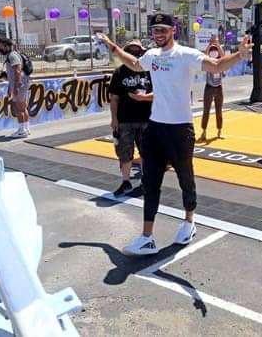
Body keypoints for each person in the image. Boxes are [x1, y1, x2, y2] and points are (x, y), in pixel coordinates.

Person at [97, 13, 252, 256]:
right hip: (155, 128)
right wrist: (113, 46)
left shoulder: (186, 55)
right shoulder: (151, 55)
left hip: (180, 129)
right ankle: (147, 237)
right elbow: (135, 64)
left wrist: (239, 55)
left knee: (185, 178)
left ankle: (189, 221)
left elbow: (216, 66)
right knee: (151, 182)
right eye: (155, 30)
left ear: (173, 31)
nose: (158, 34)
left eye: (163, 30)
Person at [109, 40, 153, 197]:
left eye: (138, 51)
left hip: (146, 119)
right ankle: (126, 182)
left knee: (146, 152)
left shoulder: (149, 71)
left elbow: (159, 94)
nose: (135, 54)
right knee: (124, 153)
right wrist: (114, 119)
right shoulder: (119, 72)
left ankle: (144, 182)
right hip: (125, 120)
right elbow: (114, 98)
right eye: (131, 51)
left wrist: (145, 98)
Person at [0, 37, 30, 138]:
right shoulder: (12, 55)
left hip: (19, 85)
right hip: (20, 84)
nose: (0, 49)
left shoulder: (12, 56)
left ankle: (21, 131)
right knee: (23, 107)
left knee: (18, 108)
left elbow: (17, 70)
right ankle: (26, 128)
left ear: (6, 46)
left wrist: (16, 87)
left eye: (1, 47)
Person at [198, 40, 225, 142]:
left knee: (219, 110)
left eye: (215, 51)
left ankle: (219, 130)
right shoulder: (208, 62)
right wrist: (209, 46)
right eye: (212, 51)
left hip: (219, 87)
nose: (214, 52)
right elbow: (204, 56)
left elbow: (223, 56)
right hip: (209, 87)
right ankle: (204, 131)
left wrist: (218, 45)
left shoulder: (220, 62)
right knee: (206, 110)